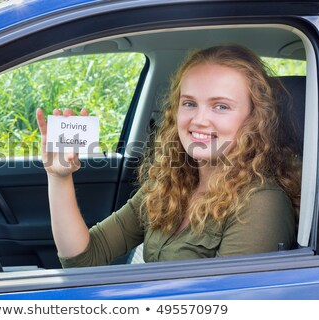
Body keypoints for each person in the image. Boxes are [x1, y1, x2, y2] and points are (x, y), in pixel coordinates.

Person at [36, 45, 301, 268]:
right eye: (189, 103)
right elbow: (85, 258)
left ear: (255, 118)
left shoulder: (262, 204)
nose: (199, 120)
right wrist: (58, 177)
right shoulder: (170, 183)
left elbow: (223, 306)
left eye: (221, 106)